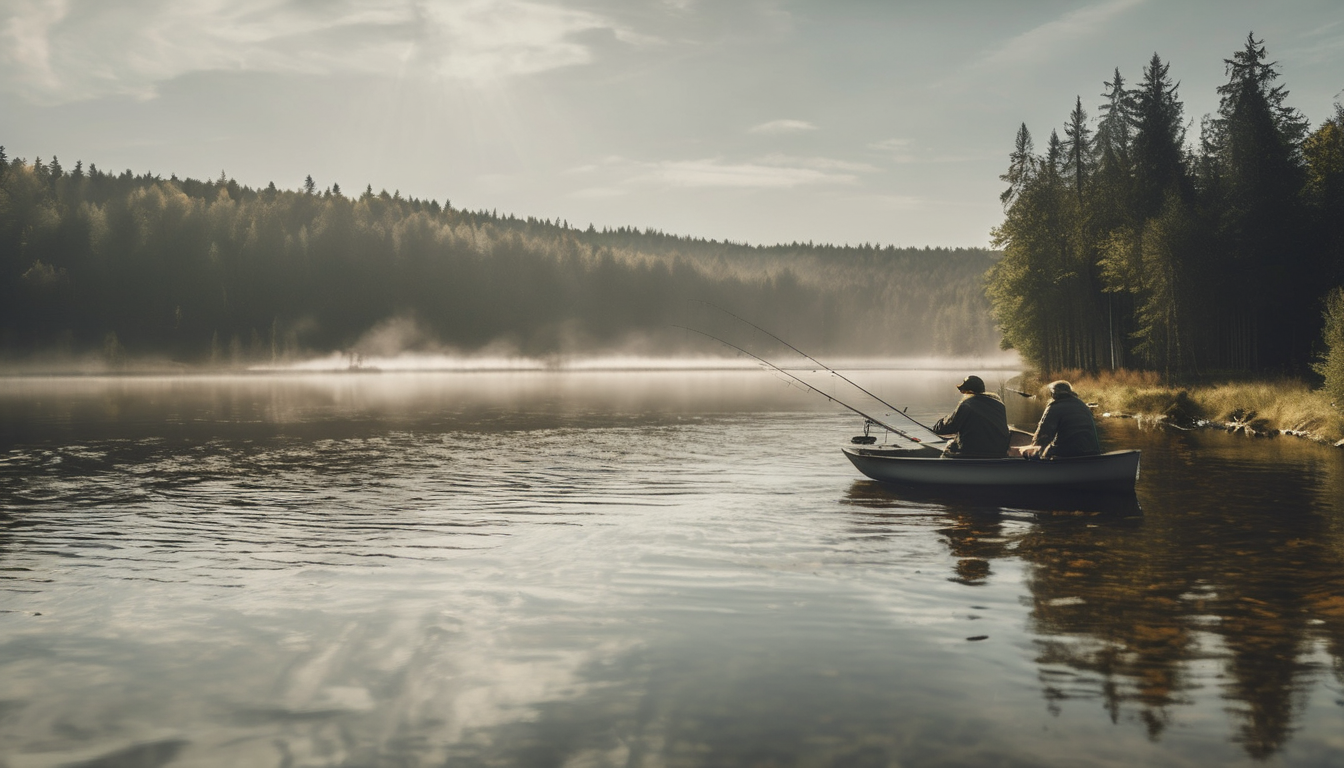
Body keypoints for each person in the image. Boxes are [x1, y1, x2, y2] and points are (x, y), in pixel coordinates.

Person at [931, 375, 1010, 458]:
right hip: (999, 451)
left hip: (970, 451)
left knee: (949, 447)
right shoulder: (999, 405)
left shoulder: (967, 405)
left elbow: (949, 428)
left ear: (970, 391)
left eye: (963, 391)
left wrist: (938, 425)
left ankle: (942, 468)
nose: (963, 394)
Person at [1020, 380, 1101, 459]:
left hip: (1067, 455)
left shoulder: (1054, 407)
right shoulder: (1082, 405)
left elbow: (1043, 436)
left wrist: (1031, 450)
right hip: (1093, 453)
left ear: (1053, 394)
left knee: (1044, 452)